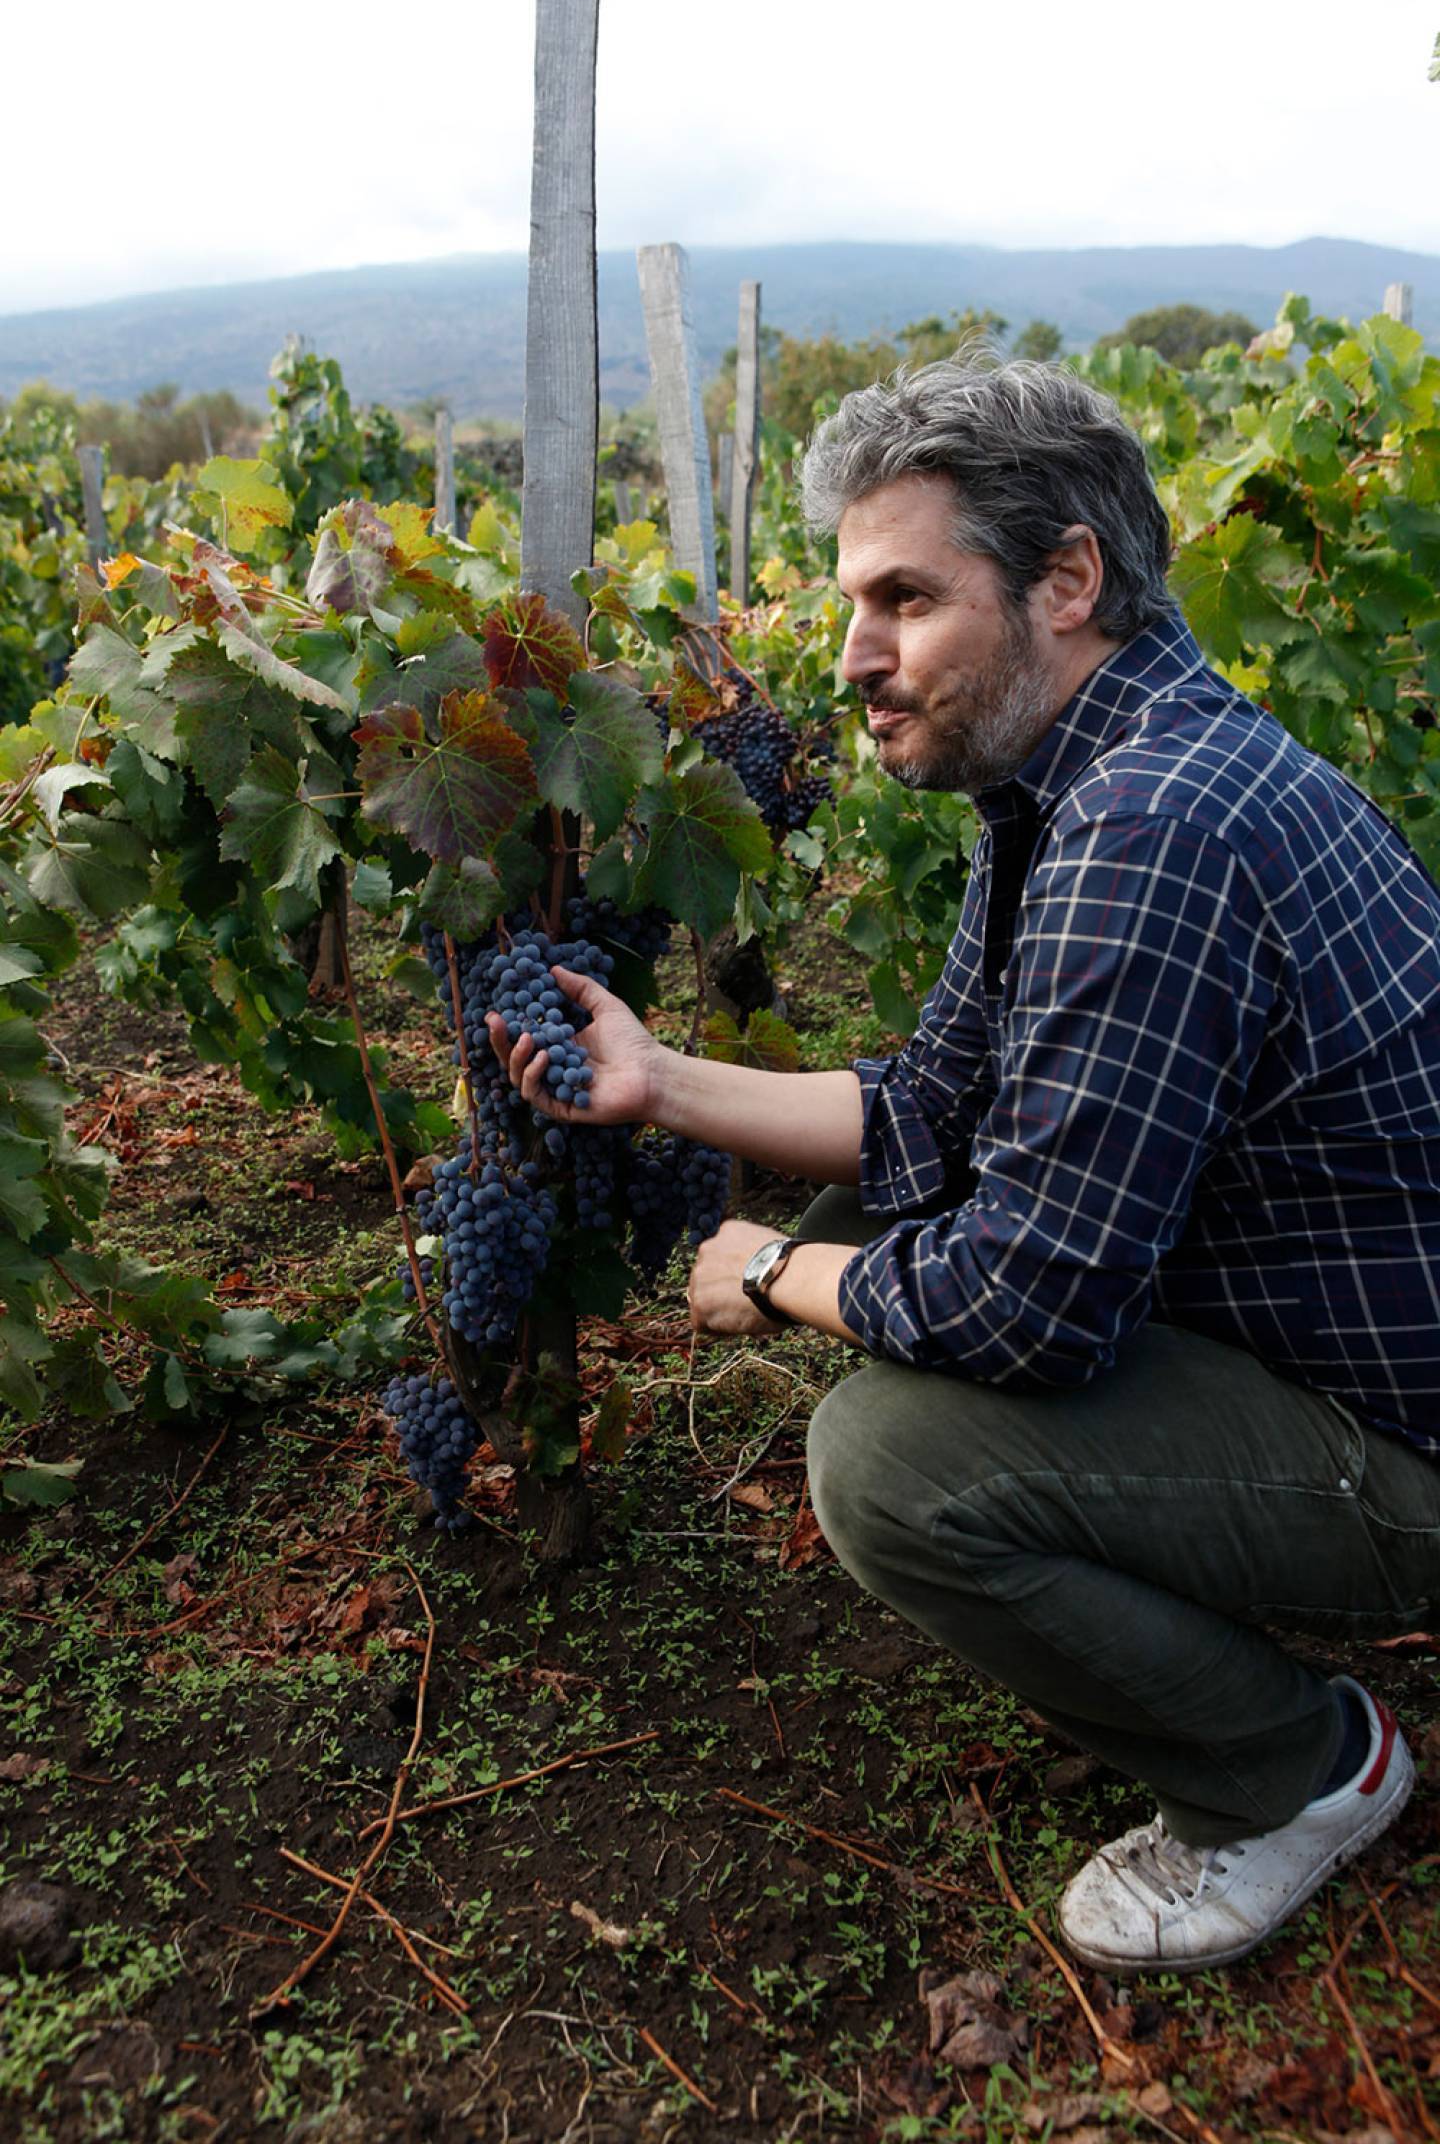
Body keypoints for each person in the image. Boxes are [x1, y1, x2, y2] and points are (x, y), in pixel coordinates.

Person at [488, 357, 1439, 1976]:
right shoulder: (1090, 778)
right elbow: (929, 1108)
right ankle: (1173, 1618)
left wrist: (775, 1274)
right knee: (892, 1218)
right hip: (1321, 1330)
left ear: (1067, 580)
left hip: (1406, 1438)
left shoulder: (1152, 833)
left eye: (906, 599)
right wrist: (655, 1082)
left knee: (893, 1462)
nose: (855, 658)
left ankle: (1295, 1771)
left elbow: (1032, 1312)